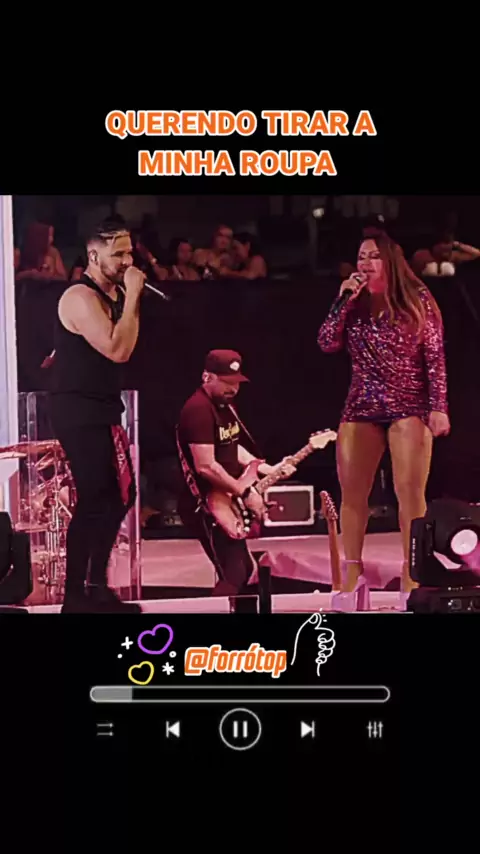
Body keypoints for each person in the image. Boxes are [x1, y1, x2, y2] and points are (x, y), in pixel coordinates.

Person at [317, 231, 450, 610]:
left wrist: (438, 405)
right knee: (352, 494)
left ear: (390, 260)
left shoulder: (416, 297)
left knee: (409, 493)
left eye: (373, 256)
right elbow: (326, 342)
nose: (365, 263)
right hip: (362, 404)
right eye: (361, 257)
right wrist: (342, 302)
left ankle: (413, 573)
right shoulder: (354, 302)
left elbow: (434, 356)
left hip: (409, 404)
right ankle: (351, 574)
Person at [49, 215, 144, 613]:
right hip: (78, 408)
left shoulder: (115, 296)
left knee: (121, 495)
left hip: (104, 406)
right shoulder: (79, 296)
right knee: (95, 496)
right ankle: (76, 595)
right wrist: (134, 296)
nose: (127, 261)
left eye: (130, 252)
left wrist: (128, 298)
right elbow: (117, 349)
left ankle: (97, 585)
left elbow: (127, 346)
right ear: (93, 255)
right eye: (118, 253)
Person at [176, 350, 295, 600]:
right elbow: (206, 466)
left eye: (236, 383)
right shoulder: (198, 410)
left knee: (246, 570)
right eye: (226, 382)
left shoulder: (225, 405)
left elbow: (231, 446)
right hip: (206, 504)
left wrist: (267, 469)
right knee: (234, 574)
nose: (233, 389)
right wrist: (245, 491)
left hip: (226, 499)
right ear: (207, 377)